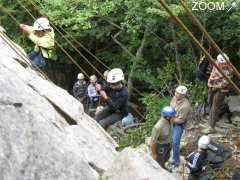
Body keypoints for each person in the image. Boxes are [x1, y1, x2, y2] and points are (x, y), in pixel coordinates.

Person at [202, 53, 233, 134]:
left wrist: (216, 87)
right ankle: (213, 118)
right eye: (222, 63)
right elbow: (212, 74)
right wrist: (211, 85)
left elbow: (225, 83)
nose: (224, 65)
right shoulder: (216, 63)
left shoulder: (229, 70)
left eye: (225, 63)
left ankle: (211, 127)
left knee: (215, 107)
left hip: (221, 90)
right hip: (212, 86)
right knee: (209, 102)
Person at [170, 85, 191, 169]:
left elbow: (181, 120)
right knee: (167, 138)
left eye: (178, 94)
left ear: (183, 95)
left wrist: (171, 118)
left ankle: (176, 161)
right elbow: (171, 106)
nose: (176, 94)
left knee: (175, 142)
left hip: (179, 124)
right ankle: (166, 154)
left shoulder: (185, 105)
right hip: (171, 119)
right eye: (176, 92)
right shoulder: (174, 98)